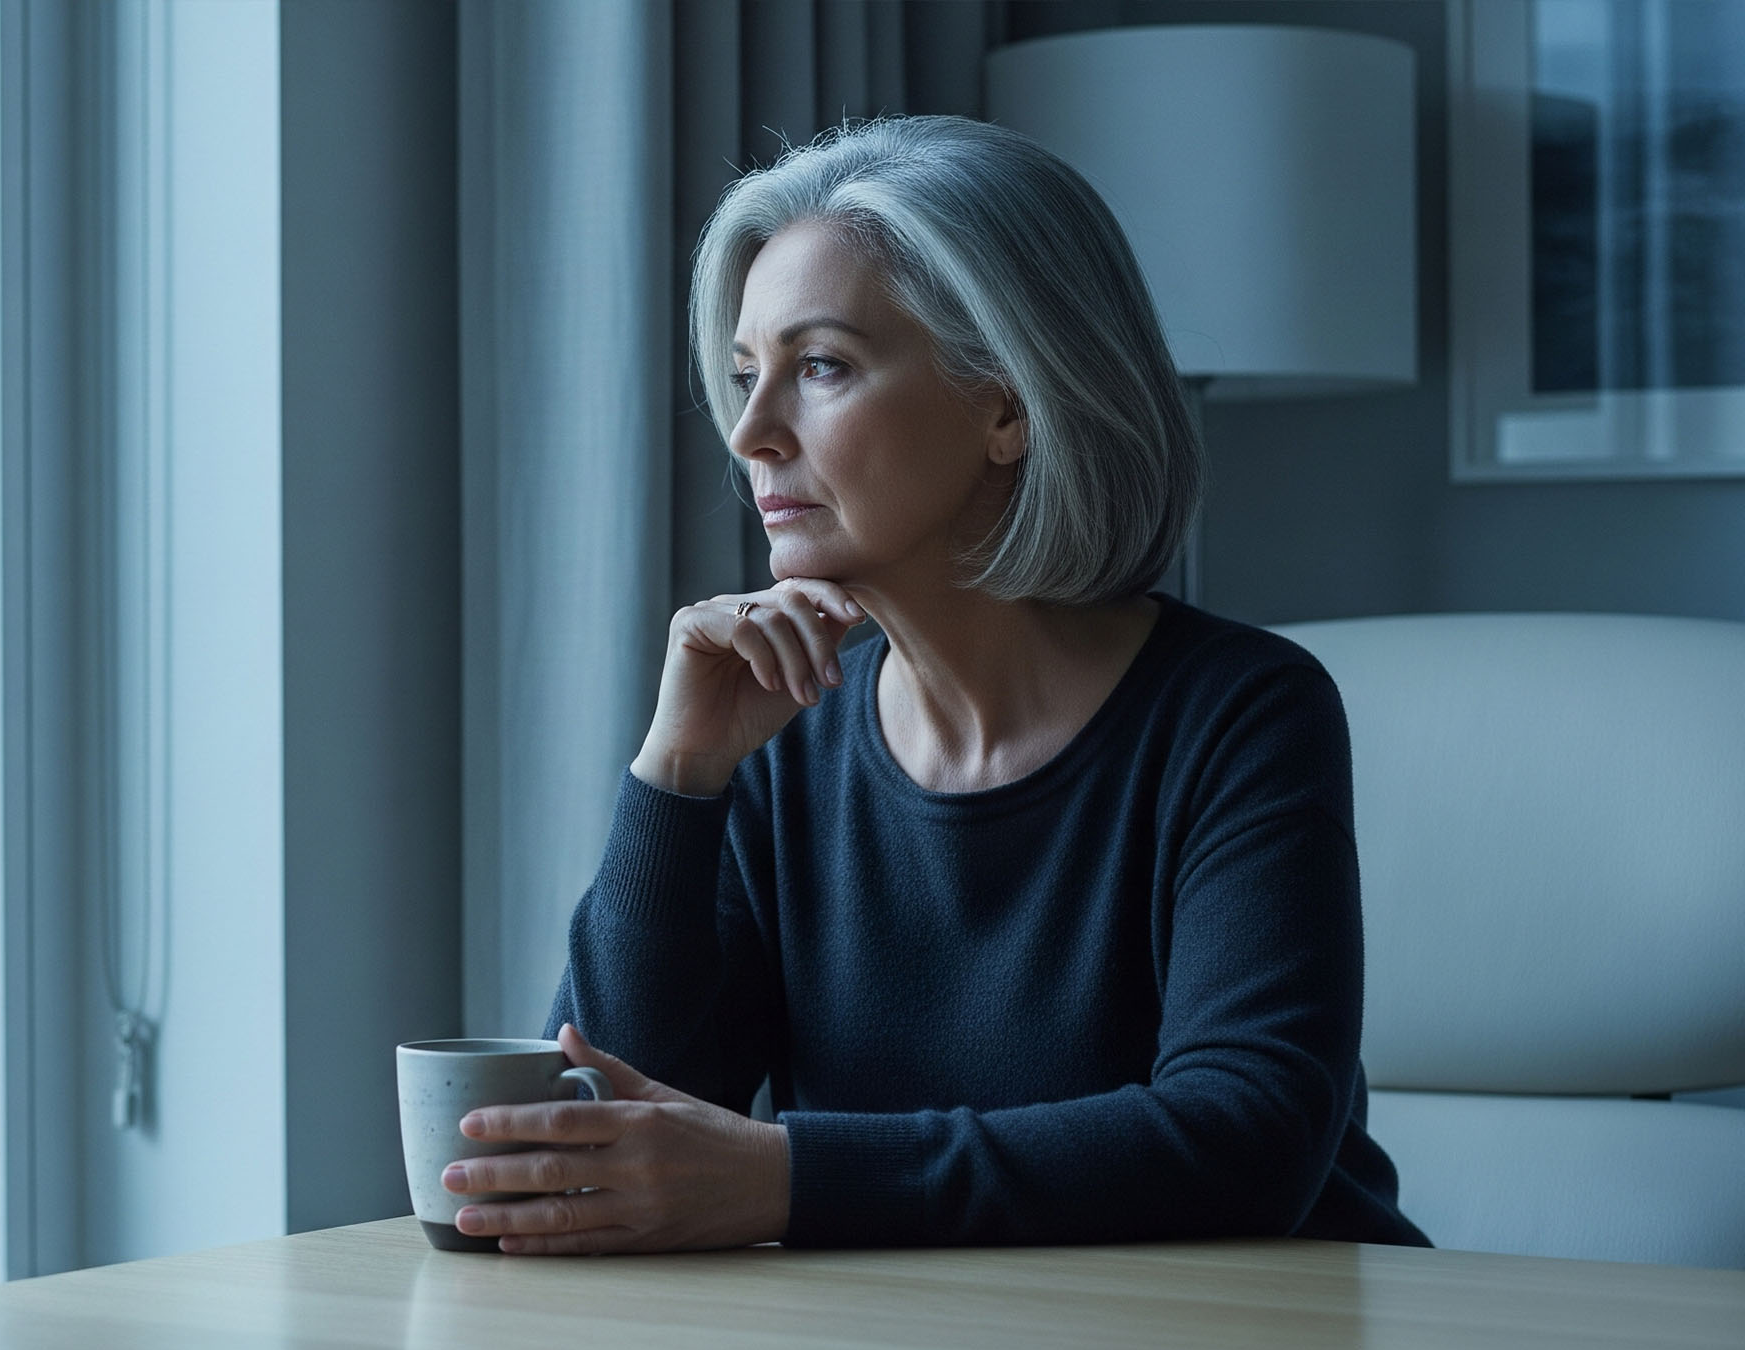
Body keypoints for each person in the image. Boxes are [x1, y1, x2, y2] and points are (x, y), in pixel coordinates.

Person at [436, 116, 1428, 1255]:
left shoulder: (1239, 712)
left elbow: (1244, 1140)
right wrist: (678, 776)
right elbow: (606, 1133)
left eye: (819, 369)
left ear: (1006, 404)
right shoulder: (779, 749)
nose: (752, 433)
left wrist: (788, 1180)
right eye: (744, 376)